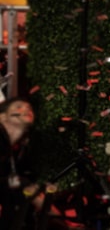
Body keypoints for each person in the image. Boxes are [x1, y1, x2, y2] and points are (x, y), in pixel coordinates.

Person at [0, 98, 39, 229]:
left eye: (29, 108)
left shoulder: (18, 149)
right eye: (18, 107)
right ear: (2, 116)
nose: (27, 110)